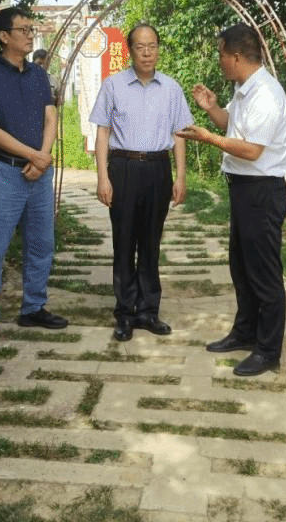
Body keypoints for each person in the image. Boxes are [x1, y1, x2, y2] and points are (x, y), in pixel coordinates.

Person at [177, 23, 286, 377]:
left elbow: (252, 149)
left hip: (262, 190)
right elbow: (234, 127)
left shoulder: (266, 94)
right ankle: (245, 332)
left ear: (237, 56)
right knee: (242, 267)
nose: (220, 61)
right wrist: (212, 108)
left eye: (221, 54)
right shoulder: (244, 90)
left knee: (264, 273)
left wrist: (208, 138)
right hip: (243, 188)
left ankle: (268, 350)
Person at [0, 6, 68, 353]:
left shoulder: (38, 75)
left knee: (41, 244)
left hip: (39, 173)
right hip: (4, 173)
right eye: (23, 30)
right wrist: (34, 156)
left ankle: (33, 307)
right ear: (3, 36)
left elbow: (50, 117)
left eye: (31, 29)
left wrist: (43, 156)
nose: (30, 35)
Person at [89, 22, 193, 341]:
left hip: (158, 169)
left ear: (158, 49)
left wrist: (180, 176)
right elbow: (102, 132)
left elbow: (180, 134)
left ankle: (148, 310)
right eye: (140, 47)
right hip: (124, 168)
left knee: (151, 242)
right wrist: (103, 177)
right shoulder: (113, 85)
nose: (147, 53)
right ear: (130, 51)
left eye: (152, 46)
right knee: (124, 242)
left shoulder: (172, 88)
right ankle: (124, 313)